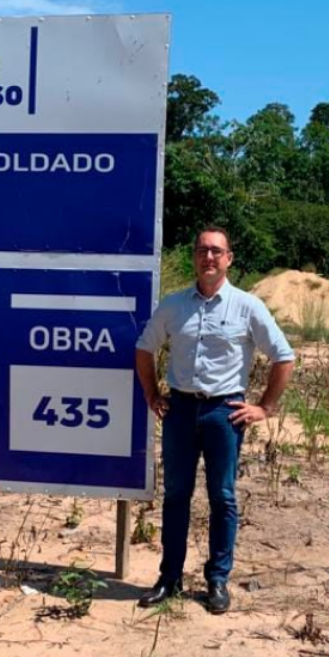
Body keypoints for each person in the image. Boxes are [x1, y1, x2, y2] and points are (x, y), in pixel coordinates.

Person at [133, 228, 294, 613]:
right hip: (180, 411)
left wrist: (264, 408)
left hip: (225, 414)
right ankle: (169, 577)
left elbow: (283, 357)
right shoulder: (174, 306)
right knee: (175, 497)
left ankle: (217, 580)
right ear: (194, 256)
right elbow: (144, 348)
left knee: (222, 497)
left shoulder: (247, 306)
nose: (209, 257)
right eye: (202, 250)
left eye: (216, 251)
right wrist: (152, 394)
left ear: (229, 259)